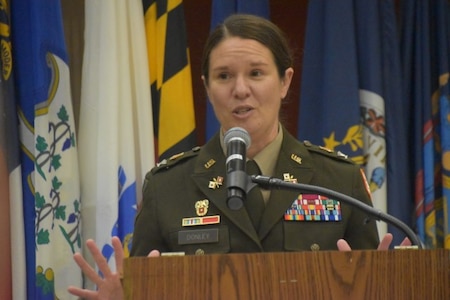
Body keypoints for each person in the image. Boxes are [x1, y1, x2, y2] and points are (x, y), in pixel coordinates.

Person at [68, 14, 410, 298]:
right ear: (206, 86)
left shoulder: (339, 180)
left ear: (285, 82)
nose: (240, 89)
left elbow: (370, 285)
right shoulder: (167, 187)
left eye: (256, 73)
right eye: (224, 76)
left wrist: (380, 287)